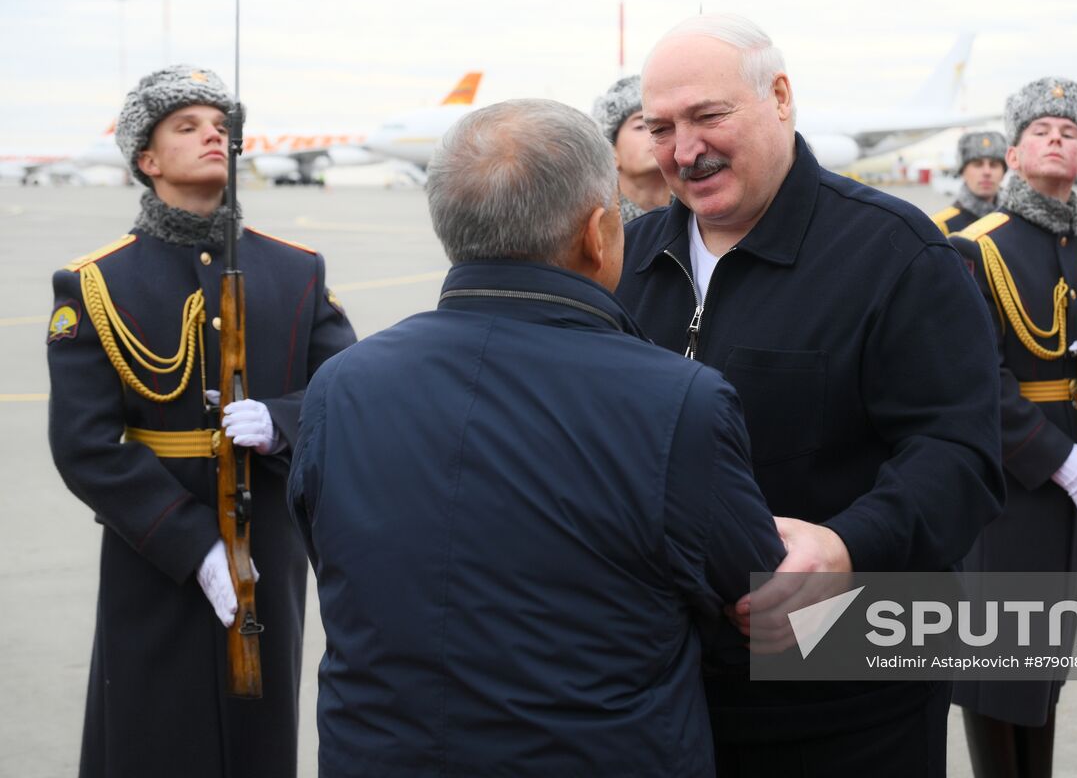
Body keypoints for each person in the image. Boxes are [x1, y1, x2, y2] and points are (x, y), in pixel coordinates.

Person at [288, 98, 786, 778]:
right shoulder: (675, 401)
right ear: (598, 232)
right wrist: (958, 638)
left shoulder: (341, 388)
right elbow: (767, 608)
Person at [618, 13, 1004, 776]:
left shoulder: (897, 255)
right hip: (660, 687)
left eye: (707, 116)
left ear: (782, 97)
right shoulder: (623, 264)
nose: (684, 150)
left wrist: (848, 545)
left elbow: (960, 456)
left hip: (844, 698)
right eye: (660, 127)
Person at [46, 65, 356, 778]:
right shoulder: (97, 282)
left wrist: (280, 421)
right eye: (187, 126)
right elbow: (84, 445)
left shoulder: (297, 270)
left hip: (265, 542)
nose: (213, 135)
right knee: (154, 732)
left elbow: (345, 388)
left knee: (258, 733)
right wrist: (192, 545)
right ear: (146, 160)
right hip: (152, 550)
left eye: (221, 126)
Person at [948, 77, 1077, 778]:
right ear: (1012, 152)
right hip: (1011, 476)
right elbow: (970, 375)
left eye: (1071, 133)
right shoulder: (976, 247)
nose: (1058, 140)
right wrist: (1050, 454)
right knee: (997, 660)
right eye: (1042, 130)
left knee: (1045, 657)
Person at [593, 73, 671, 221]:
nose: (655, 132)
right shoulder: (600, 224)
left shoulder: (701, 218)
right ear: (612, 151)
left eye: (664, 125)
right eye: (641, 126)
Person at [933, 130, 1008, 235]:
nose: (987, 172)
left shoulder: (1015, 221)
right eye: (978, 164)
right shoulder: (940, 227)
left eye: (994, 164)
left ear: (1004, 172)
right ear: (962, 171)